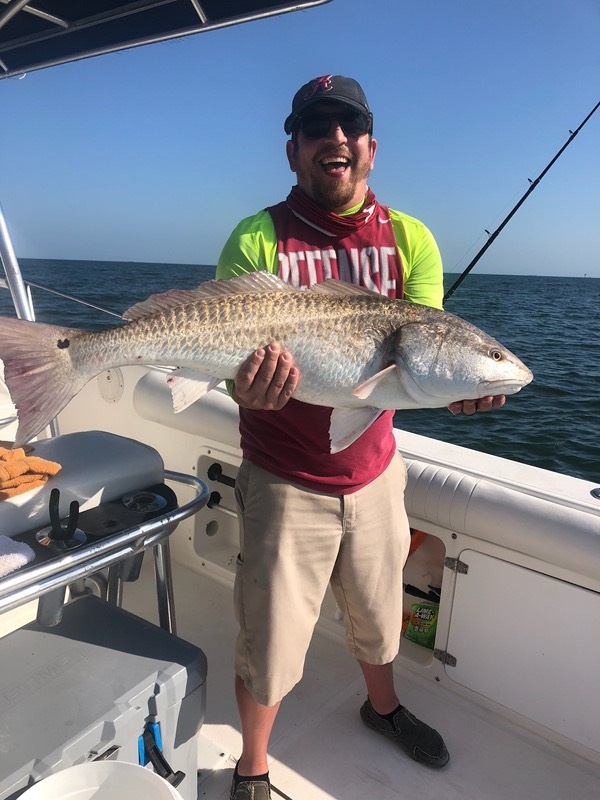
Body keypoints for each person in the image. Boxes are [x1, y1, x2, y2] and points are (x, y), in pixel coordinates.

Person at [216, 74, 505, 800]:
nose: (334, 137)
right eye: (317, 126)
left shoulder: (411, 239)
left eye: (349, 124)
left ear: (371, 146)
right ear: (294, 151)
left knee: (380, 618)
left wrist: (462, 387)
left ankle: (383, 708)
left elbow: (424, 358)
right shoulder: (257, 236)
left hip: (375, 473)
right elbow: (223, 350)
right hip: (282, 477)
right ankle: (252, 767)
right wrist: (239, 384)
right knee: (271, 641)